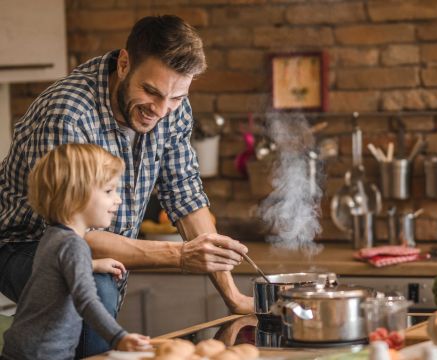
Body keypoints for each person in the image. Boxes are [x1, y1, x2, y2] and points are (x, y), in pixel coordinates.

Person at [0, 15, 251, 357]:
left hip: (90, 245)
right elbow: (72, 234)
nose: (162, 110)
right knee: (96, 285)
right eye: (151, 91)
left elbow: (186, 196)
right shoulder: (68, 114)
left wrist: (232, 295)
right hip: (25, 245)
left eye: (176, 97)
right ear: (123, 63)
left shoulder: (172, 106)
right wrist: (180, 255)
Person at [1, 144, 150, 359]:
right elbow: (87, 300)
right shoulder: (74, 245)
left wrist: (94, 264)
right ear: (75, 195)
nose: (117, 199)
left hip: (23, 348)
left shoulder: (53, 236)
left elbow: (53, 271)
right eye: (109, 191)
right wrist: (119, 337)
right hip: (45, 354)